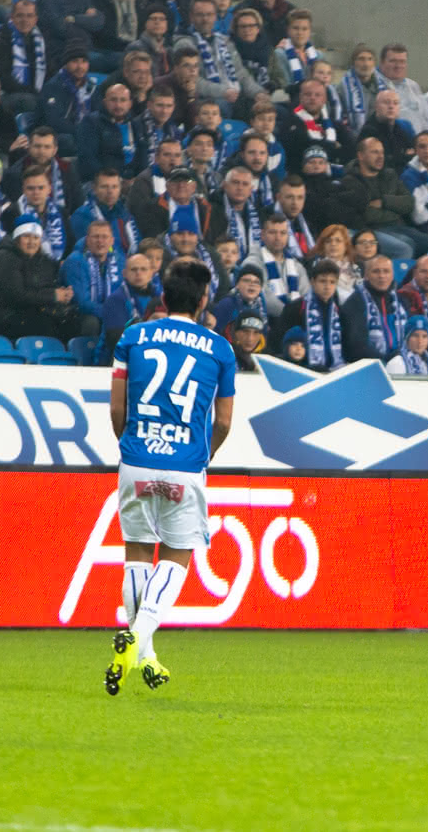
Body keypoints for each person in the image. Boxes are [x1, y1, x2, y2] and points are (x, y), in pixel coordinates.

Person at [105, 257, 236, 695]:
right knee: (178, 556)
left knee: (138, 553)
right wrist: (204, 457)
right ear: (203, 300)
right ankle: (139, 638)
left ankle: (144, 652)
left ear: (162, 296)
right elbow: (223, 421)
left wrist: (129, 448)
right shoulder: (219, 348)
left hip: (136, 457)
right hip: (186, 464)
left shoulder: (132, 337)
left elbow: (117, 408)